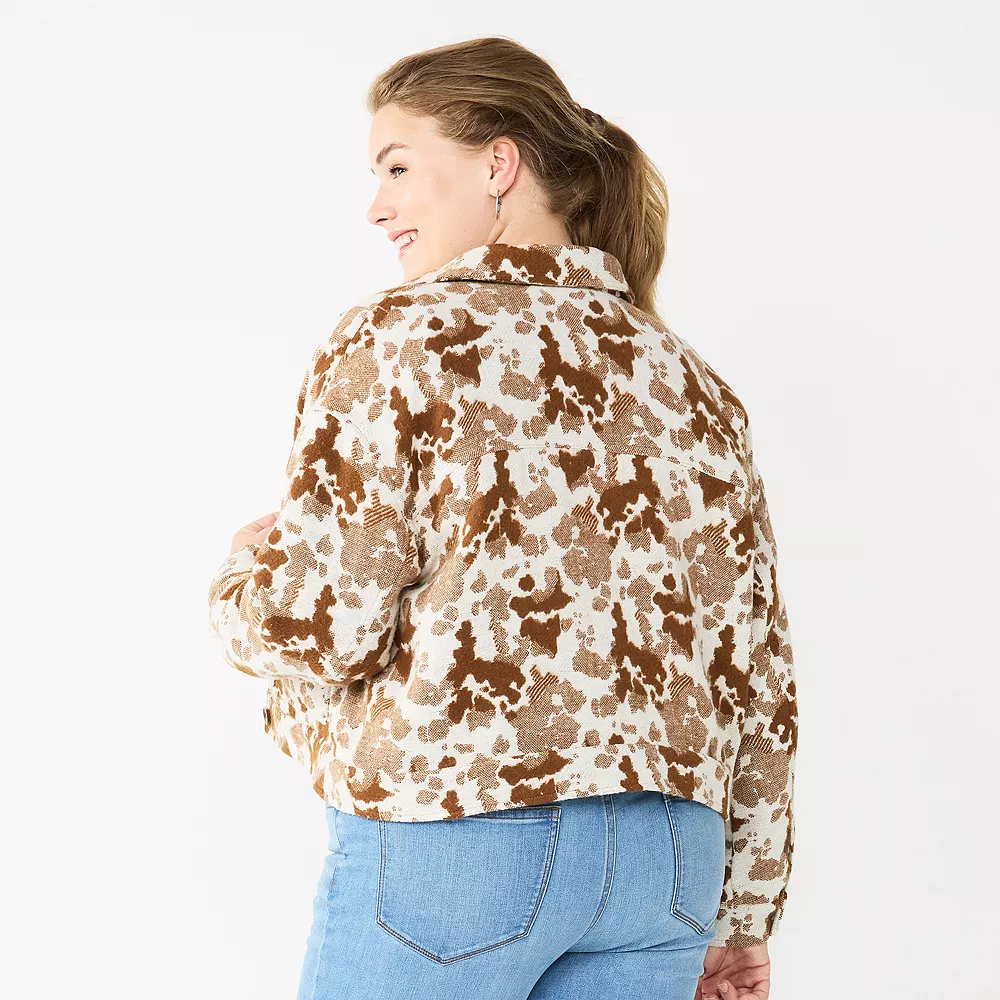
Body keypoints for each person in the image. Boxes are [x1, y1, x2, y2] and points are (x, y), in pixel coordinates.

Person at [207, 35, 798, 1000]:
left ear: (499, 163)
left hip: (463, 835)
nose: (377, 205)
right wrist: (742, 918)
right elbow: (755, 668)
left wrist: (241, 578)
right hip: (667, 868)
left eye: (398, 166)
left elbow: (319, 625)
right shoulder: (690, 380)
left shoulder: (402, 336)